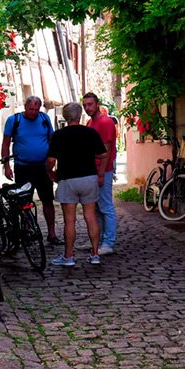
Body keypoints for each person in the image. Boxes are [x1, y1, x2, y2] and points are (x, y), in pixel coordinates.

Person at [46, 101, 106, 266]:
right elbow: (103, 154)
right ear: (80, 116)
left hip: (68, 178)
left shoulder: (58, 135)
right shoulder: (91, 132)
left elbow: (51, 160)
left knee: (70, 220)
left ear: (65, 117)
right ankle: (95, 254)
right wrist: (100, 172)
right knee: (91, 216)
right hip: (88, 177)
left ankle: (69, 256)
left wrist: (50, 173)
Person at [1, 96, 60, 245]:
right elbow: (6, 144)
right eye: (30, 109)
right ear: (25, 107)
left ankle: (52, 234)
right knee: (24, 201)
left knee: (47, 200)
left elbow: (53, 141)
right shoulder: (14, 120)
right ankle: (26, 231)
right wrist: (6, 166)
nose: (33, 112)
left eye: (36, 109)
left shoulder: (44, 119)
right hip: (23, 166)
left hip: (42, 167)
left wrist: (53, 162)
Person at [84, 92, 118, 255]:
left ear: (97, 104)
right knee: (96, 207)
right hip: (94, 169)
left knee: (106, 206)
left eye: (90, 104)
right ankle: (98, 238)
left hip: (103, 169)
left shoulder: (105, 122)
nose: (87, 108)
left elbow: (107, 149)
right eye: (84, 105)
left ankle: (109, 242)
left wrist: (101, 173)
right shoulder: (91, 122)